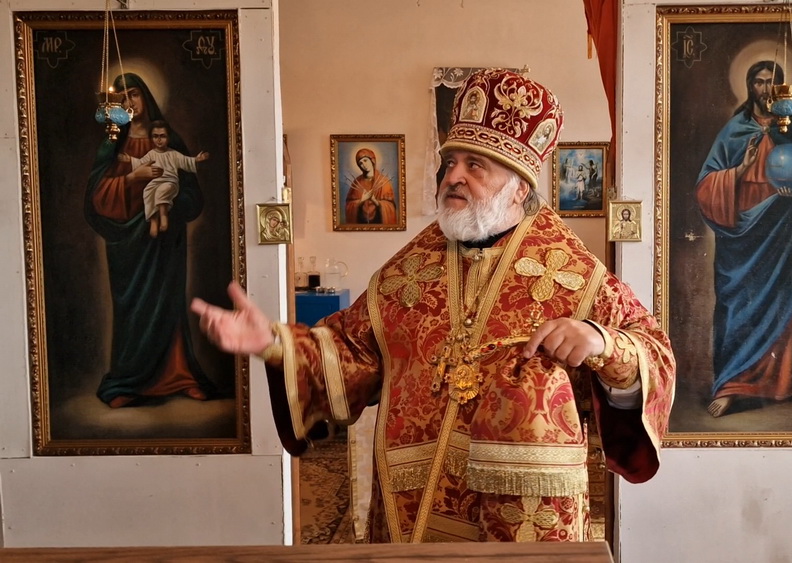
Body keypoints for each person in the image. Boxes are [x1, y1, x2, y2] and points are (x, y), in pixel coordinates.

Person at [191, 68, 675, 543]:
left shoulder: (575, 273)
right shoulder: (410, 268)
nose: (452, 177)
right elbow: (353, 350)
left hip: (520, 517)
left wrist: (604, 343)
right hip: (412, 499)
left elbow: (655, 354)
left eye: (475, 165)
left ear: (520, 187)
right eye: (451, 162)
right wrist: (276, 343)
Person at [694, 61, 792, 418]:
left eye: (772, 82)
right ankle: (731, 385)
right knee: (739, 306)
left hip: (786, 229)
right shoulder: (734, 130)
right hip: (743, 237)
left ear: (782, 88)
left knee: (790, 301)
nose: (766, 89)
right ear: (749, 85)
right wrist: (741, 168)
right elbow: (706, 186)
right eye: (759, 81)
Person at [85, 73, 215, 408]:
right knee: (133, 311)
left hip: (165, 241)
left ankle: (180, 375)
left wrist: (171, 202)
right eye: (122, 97)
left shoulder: (170, 140)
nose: (130, 102)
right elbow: (97, 198)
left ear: (146, 97)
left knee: (167, 306)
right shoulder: (113, 144)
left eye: (135, 94)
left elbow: (193, 195)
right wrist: (133, 178)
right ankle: (128, 382)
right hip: (127, 245)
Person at [119, 120, 209, 238]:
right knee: (147, 192)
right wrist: (130, 160)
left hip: (170, 182)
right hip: (155, 182)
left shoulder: (173, 154)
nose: (159, 140)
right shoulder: (151, 154)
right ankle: (153, 220)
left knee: (161, 191)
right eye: (155, 136)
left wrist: (197, 159)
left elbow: (186, 161)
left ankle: (163, 217)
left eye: (162, 136)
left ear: (168, 137)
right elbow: (141, 163)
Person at [345, 148, 397, 224]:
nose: (364, 165)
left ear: (372, 160)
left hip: (378, 221)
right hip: (361, 222)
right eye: (360, 163)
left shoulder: (383, 181)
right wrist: (361, 201)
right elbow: (349, 205)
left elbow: (390, 206)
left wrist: (375, 201)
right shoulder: (357, 182)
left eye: (365, 160)